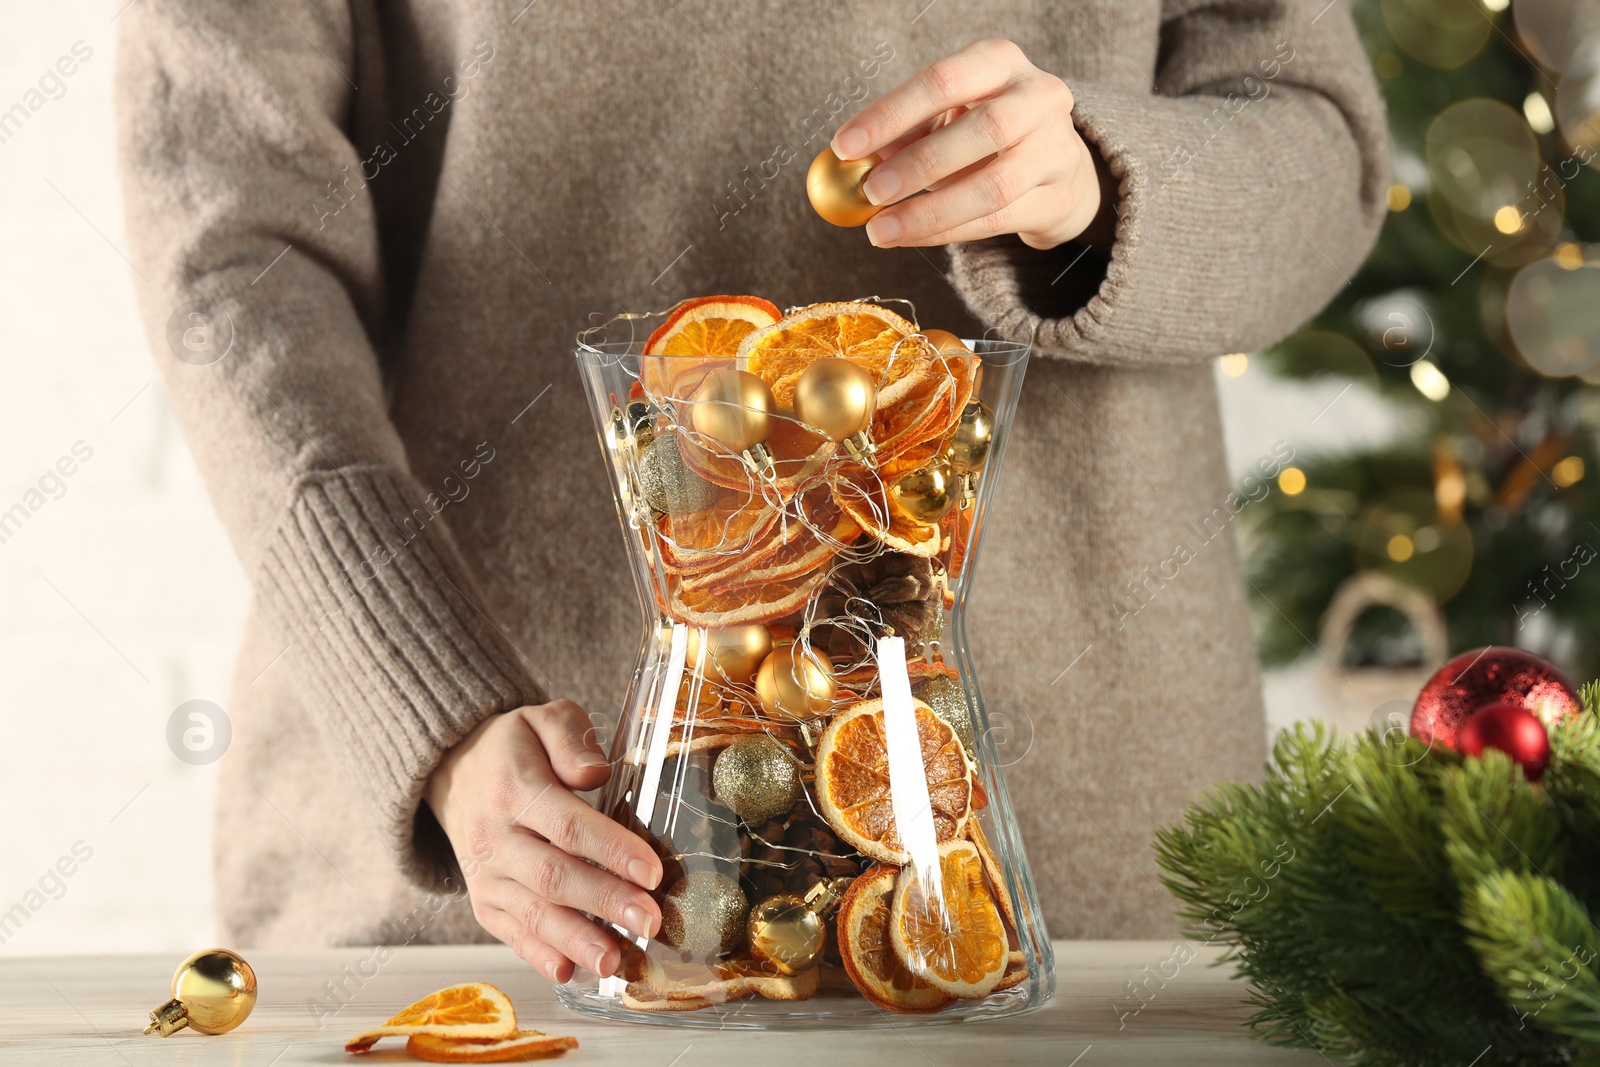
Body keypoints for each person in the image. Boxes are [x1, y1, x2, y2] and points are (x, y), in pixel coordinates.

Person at [116, 1, 1386, 983]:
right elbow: (231, 242)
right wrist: (427, 705)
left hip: (1056, 869)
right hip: (506, 858)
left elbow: (1317, 142)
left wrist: (1102, 187)